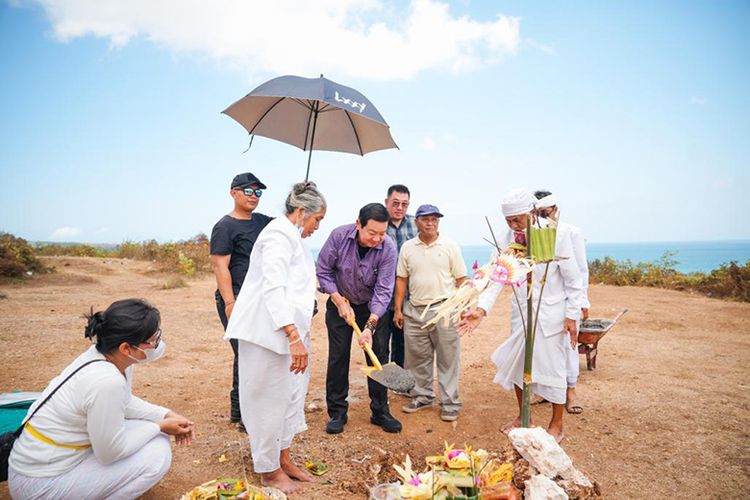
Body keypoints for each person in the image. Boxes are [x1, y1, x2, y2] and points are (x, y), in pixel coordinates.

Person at [8, 299, 194, 499]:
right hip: (39, 485)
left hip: (44, 466)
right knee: (157, 456)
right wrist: (159, 426)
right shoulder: (106, 381)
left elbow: (125, 402)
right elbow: (109, 453)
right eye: (153, 340)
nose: (157, 344)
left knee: (151, 435)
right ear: (126, 348)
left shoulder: (108, 357)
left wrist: (164, 414)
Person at [225, 181, 327, 495]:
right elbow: (273, 288)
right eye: (316, 220)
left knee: (290, 397)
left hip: (290, 334)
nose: (317, 226)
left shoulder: (292, 237)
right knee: (268, 400)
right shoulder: (277, 236)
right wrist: (292, 335)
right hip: (269, 334)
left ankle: (283, 458)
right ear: (300, 211)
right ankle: (268, 470)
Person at [457, 189, 583, 443]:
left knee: (553, 366)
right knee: (517, 363)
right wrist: (481, 310)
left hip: (552, 311)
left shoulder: (555, 233)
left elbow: (574, 277)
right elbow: (497, 276)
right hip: (521, 311)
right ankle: (522, 415)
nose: (514, 226)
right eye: (509, 221)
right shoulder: (506, 238)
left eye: (519, 220)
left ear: (532, 213)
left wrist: (572, 315)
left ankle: (556, 423)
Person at [316, 203, 402, 434]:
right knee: (338, 355)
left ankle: (380, 411)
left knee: (379, 356)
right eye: (371, 233)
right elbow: (323, 270)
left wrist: (370, 327)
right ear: (358, 225)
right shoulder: (339, 237)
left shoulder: (389, 248)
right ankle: (337, 412)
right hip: (339, 303)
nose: (377, 239)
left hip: (372, 308)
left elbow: (384, 291)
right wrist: (337, 299)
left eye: (382, 234)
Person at [210, 172, 273, 431]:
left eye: (258, 192)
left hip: (258, 299)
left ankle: (239, 410)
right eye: (248, 191)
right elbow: (220, 266)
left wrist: (300, 197)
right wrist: (229, 303)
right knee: (246, 355)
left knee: (251, 354)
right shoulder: (224, 226)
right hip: (235, 299)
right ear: (233, 192)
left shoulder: (262, 221)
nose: (253, 196)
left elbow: (291, 226)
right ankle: (246, 415)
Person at [394, 204, 467, 422]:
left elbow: (461, 279)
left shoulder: (450, 246)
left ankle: (450, 403)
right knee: (417, 359)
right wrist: (398, 309)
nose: (431, 223)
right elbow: (401, 279)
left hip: (444, 310)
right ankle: (423, 396)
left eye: (435, 219)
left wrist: (462, 308)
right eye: (426, 219)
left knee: (448, 359)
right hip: (414, 311)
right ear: (416, 221)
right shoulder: (407, 248)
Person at [534, 190, 590, 415]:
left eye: (545, 213)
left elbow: (580, 269)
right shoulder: (536, 233)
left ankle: (570, 391)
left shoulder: (570, 232)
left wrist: (582, 302)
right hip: (543, 301)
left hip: (568, 299)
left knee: (568, 347)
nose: (541, 218)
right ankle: (547, 390)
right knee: (545, 349)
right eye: (537, 214)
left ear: (555, 210)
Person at [384, 184, 417, 370]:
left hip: (408, 295)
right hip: (382, 293)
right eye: (395, 203)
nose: (399, 208)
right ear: (386, 202)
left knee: (403, 341)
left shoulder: (415, 223)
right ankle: (381, 385)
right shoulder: (378, 222)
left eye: (404, 204)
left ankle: (399, 381)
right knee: (380, 343)